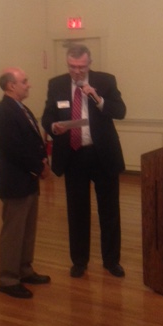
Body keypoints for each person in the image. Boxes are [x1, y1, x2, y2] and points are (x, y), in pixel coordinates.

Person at [42, 44, 127, 278]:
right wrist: (53, 126)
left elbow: (120, 111)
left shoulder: (106, 81)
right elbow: (48, 115)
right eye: (72, 66)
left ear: (90, 63)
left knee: (109, 211)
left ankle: (111, 261)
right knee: (77, 212)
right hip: (73, 155)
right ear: (67, 64)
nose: (77, 71)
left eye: (81, 67)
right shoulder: (56, 84)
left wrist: (97, 98)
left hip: (102, 155)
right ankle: (79, 261)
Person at [0, 67, 51, 299]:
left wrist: (43, 160)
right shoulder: (4, 112)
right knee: (13, 233)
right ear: (11, 86)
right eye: (24, 81)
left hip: (28, 180)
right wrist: (39, 167)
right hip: (15, 182)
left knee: (27, 230)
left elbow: (33, 141)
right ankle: (8, 279)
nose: (29, 85)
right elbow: (13, 149)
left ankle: (24, 270)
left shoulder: (20, 108)